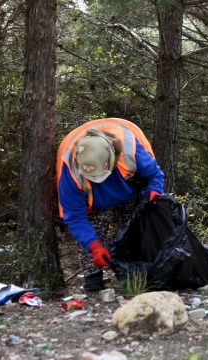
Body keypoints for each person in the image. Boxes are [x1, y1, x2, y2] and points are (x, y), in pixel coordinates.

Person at [56, 118, 164, 291]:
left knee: (134, 229)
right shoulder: (70, 172)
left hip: (128, 188)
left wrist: (154, 191)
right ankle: (93, 279)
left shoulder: (132, 151)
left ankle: (136, 273)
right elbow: (75, 216)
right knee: (92, 228)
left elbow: (155, 175)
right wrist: (94, 246)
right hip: (97, 202)